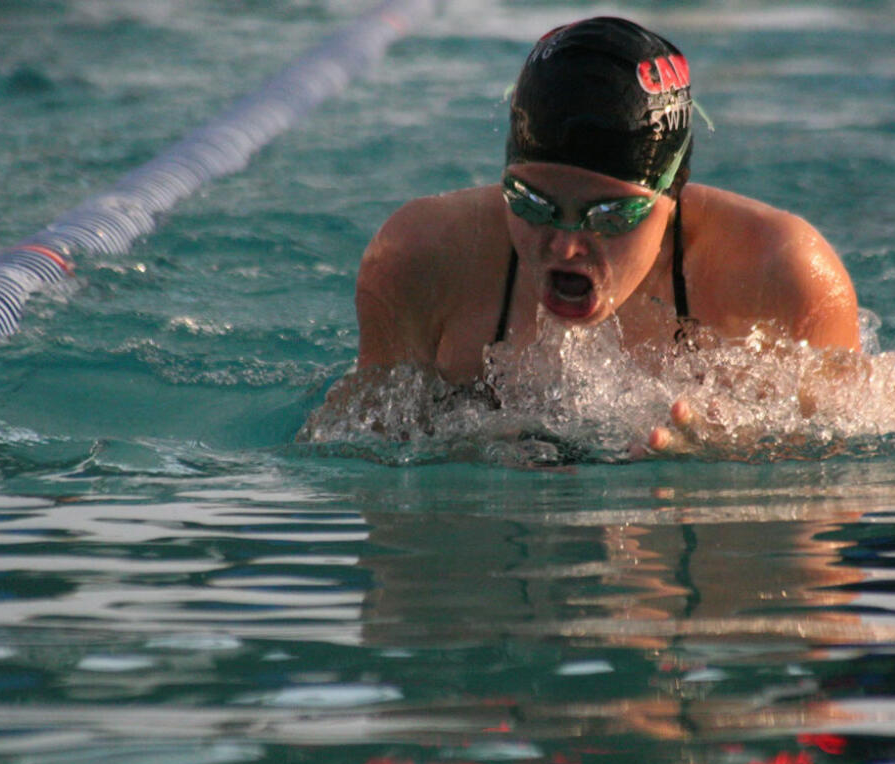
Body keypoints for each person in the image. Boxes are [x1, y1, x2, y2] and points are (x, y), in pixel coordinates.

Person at [331, 17, 860, 452]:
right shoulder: (420, 256)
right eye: (531, 202)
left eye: (610, 216)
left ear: (671, 197)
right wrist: (454, 452)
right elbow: (347, 443)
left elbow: (865, 445)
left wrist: (744, 451)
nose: (564, 245)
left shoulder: (782, 272)